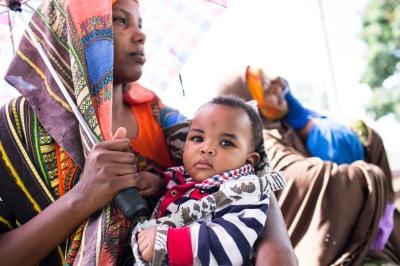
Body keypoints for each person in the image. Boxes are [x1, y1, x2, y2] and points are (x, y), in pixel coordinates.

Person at [0, 1, 297, 265]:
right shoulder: (15, 127)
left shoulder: (162, 118)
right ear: (71, 32)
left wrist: (276, 241)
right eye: (119, 20)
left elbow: (244, 170)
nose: (141, 35)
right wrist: (83, 196)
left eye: (140, 23)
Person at [216, 65, 400, 265]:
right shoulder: (258, 147)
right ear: (248, 106)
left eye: (279, 84)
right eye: (268, 88)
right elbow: (310, 182)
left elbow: (353, 145)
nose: (279, 89)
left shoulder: (295, 127)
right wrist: (369, 176)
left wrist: (301, 118)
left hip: (371, 245)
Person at [131, 96, 285, 265]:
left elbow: (230, 242)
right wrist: (158, 183)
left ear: (249, 161)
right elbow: (174, 187)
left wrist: (167, 242)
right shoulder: (181, 177)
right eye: (197, 139)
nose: (207, 148)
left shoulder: (245, 192)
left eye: (226, 143)